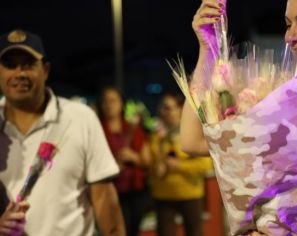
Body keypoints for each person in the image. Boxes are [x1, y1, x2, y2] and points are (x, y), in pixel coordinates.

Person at [180, 0, 297, 235]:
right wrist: (208, 48)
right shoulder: (277, 100)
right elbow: (193, 141)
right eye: (287, 24)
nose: (290, 36)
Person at [0, 29, 126, 236]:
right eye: (10, 65)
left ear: (46, 70)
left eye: (29, 64)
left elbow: (104, 198)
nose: (19, 73)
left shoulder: (80, 117)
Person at [149, 92, 213, 236]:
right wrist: (156, 167)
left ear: (179, 109)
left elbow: (205, 165)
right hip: (163, 196)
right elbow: (150, 164)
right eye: (162, 108)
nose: (164, 112)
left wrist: (178, 166)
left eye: (168, 107)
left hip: (190, 195)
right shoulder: (156, 135)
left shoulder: (191, 134)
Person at [98, 87, 151, 236]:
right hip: (109, 192)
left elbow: (147, 161)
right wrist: (112, 165)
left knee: (133, 230)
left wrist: (134, 157)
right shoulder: (97, 130)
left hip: (135, 191)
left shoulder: (133, 129)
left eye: (113, 101)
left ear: (122, 104)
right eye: (105, 101)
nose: (109, 105)